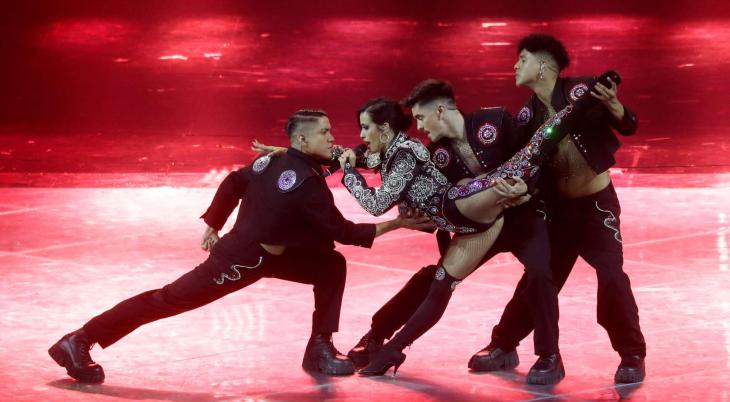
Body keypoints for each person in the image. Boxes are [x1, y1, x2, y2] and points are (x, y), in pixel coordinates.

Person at [47, 109, 429, 383]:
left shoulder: (277, 161)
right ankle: (79, 339)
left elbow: (234, 182)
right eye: (325, 133)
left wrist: (213, 224)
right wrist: (398, 223)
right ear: (302, 140)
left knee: (330, 266)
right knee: (167, 299)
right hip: (241, 259)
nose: (333, 139)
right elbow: (343, 231)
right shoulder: (304, 182)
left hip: (270, 256)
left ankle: (320, 347)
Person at [339, 73, 617, 376]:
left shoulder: (494, 120)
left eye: (420, 118)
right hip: (480, 228)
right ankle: (377, 335)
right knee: (435, 280)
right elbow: (388, 151)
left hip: (523, 216)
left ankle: (545, 355)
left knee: (540, 273)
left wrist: (526, 189)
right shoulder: (436, 154)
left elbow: (536, 153)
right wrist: (352, 155)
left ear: (440, 110)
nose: (419, 127)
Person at [470, 33, 646, 384]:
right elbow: (523, 163)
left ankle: (632, 353)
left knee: (612, 275)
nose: (515, 66)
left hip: (596, 207)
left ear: (543, 64)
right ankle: (504, 344)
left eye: (522, 59)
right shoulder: (526, 116)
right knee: (538, 277)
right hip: (557, 211)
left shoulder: (582, 90)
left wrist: (614, 105)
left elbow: (629, 124)